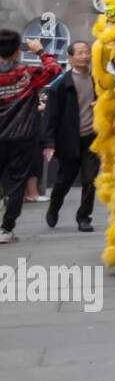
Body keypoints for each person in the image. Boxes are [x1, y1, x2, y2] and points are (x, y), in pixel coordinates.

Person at [0, 31, 61, 242]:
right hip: (22, 137)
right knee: (17, 184)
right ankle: (6, 230)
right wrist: (40, 51)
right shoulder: (27, 72)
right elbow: (55, 70)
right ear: (18, 50)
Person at [41, 40, 99, 232]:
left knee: (90, 181)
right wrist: (49, 141)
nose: (85, 56)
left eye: (87, 52)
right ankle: (54, 206)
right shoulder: (61, 84)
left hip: (92, 138)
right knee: (63, 181)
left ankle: (84, 217)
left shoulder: (98, 81)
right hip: (69, 140)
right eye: (80, 53)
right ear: (70, 57)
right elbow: (51, 115)